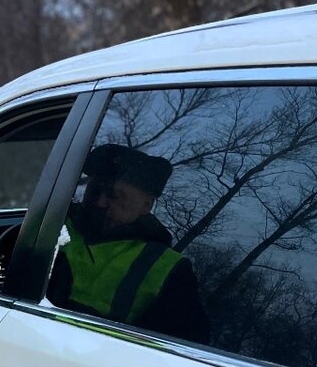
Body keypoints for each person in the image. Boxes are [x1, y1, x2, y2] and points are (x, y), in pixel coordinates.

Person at [48, 143, 210, 344]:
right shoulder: (52, 221)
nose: (99, 202)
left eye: (114, 195)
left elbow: (182, 350)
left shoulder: (167, 268)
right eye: (95, 190)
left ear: (146, 205)